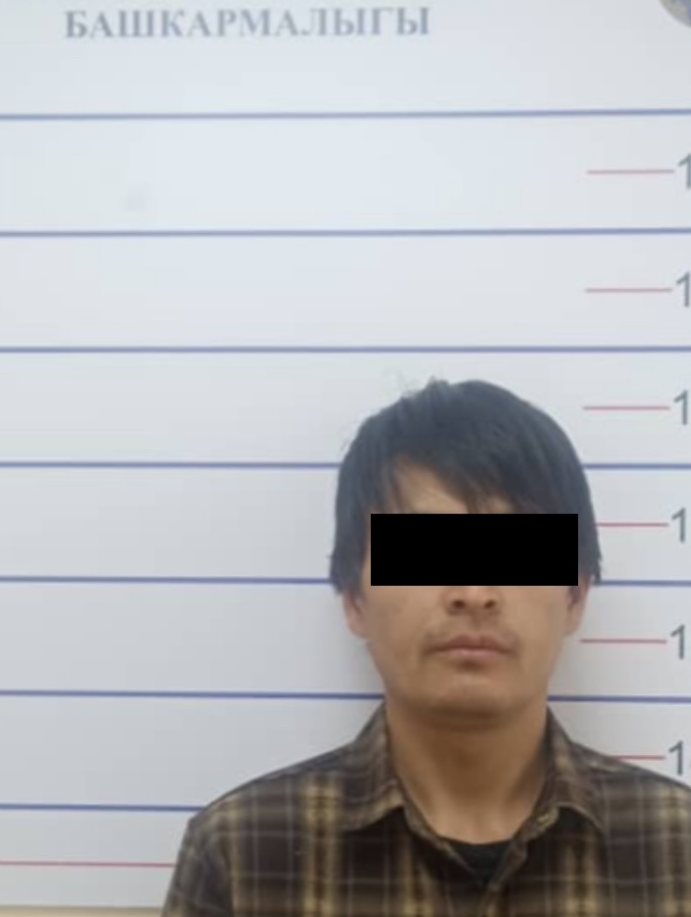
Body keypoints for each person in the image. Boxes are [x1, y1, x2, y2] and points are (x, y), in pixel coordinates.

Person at [160, 378, 691, 915]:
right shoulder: (240, 852)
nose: (473, 593)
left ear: (574, 596)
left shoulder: (677, 845)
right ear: (354, 599)